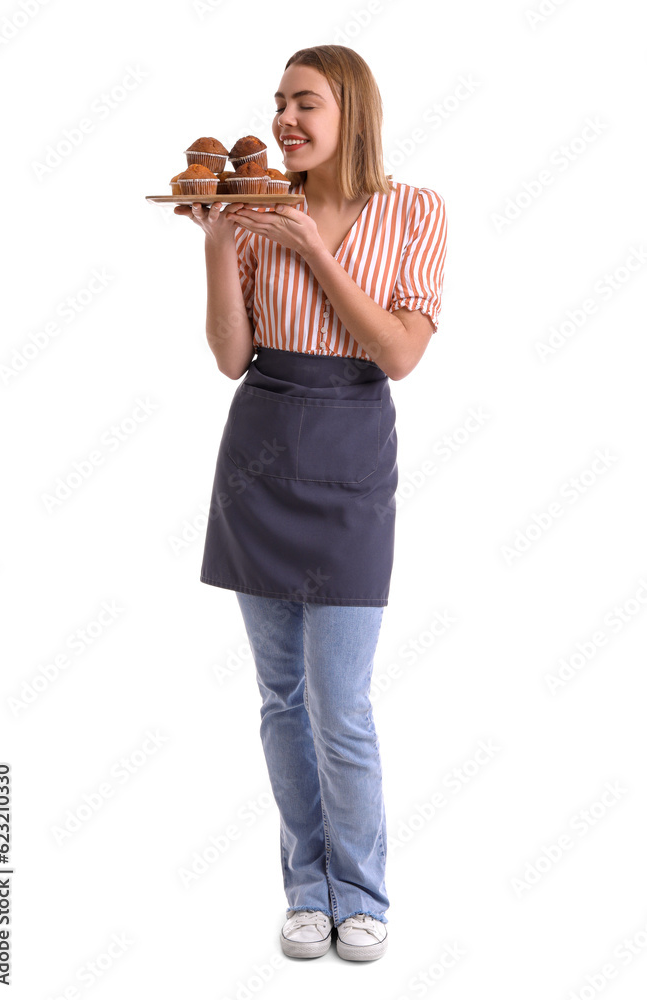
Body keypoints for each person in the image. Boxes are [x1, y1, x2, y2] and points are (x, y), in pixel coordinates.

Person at [175, 44, 447, 962]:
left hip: (351, 457)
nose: (285, 121)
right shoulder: (254, 214)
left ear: (351, 115)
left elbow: (399, 354)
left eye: (305, 104)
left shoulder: (413, 209)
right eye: (279, 103)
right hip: (259, 452)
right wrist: (220, 239)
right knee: (280, 699)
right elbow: (229, 355)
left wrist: (319, 254)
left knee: (342, 703)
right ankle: (305, 886)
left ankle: (362, 893)